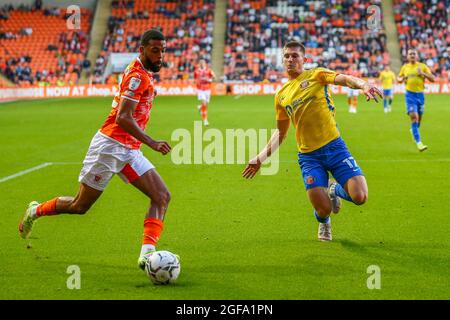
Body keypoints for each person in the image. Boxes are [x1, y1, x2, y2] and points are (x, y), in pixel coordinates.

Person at [18, 29, 172, 271]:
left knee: (161, 196)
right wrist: (152, 142)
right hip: (110, 147)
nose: (160, 55)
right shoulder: (137, 76)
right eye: (155, 50)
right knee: (80, 206)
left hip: (129, 149)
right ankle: (35, 210)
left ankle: (147, 256)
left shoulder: (143, 72)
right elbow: (122, 117)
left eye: (163, 50)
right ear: (142, 50)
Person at [242, 41, 383, 241]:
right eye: (287, 56)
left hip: (335, 148)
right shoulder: (281, 95)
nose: (290, 59)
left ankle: (334, 189)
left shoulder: (316, 75)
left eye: (295, 56)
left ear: (304, 59)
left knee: (360, 197)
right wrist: (260, 157)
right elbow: (280, 133)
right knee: (324, 209)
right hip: (309, 157)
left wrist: (364, 84)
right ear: (283, 60)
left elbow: (344, 79)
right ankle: (324, 223)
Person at [398, 48, 436, 152]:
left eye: (414, 54)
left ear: (417, 56)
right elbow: (399, 78)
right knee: (414, 117)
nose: (412, 55)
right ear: (407, 56)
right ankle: (419, 143)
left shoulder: (422, 66)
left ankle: (414, 129)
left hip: (421, 95)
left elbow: (433, 79)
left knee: (419, 119)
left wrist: (423, 74)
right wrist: (401, 79)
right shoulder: (405, 67)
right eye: (410, 54)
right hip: (410, 95)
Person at [194, 59, 215, 126]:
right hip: (200, 89)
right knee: (204, 103)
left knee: (206, 103)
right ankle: (205, 120)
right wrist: (197, 83)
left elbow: (214, 77)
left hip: (207, 89)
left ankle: (200, 108)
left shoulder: (209, 70)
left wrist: (208, 80)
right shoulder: (196, 71)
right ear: (199, 64)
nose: (202, 64)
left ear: (205, 64)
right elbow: (195, 79)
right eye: (201, 63)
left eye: (203, 63)